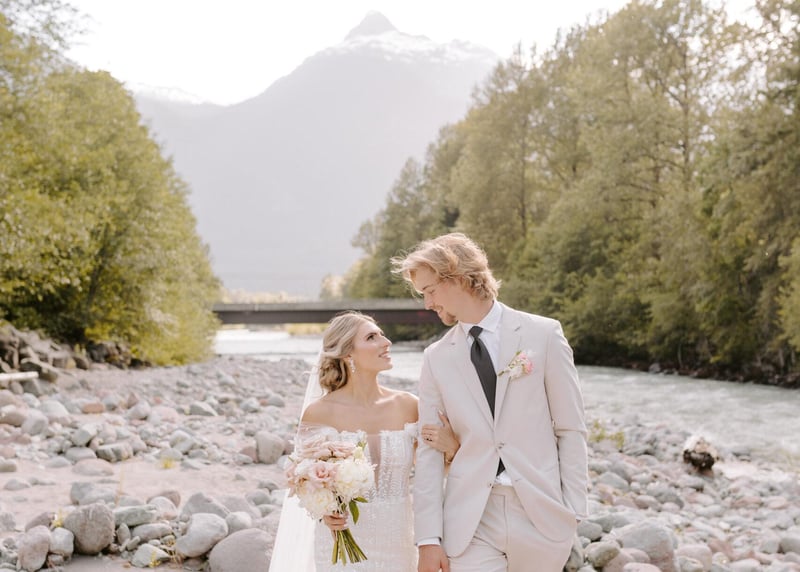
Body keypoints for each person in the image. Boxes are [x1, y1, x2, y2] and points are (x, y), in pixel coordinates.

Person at [391, 233, 588, 572]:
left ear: (456, 278)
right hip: (470, 521)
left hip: (541, 516)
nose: (427, 303)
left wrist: (573, 510)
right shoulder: (436, 357)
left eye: (430, 290)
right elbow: (429, 453)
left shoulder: (543, 334)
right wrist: (428, 538)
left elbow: (570, 427)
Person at [268, 311, 459, 572]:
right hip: (341, 546)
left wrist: (451, 450)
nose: (386, 342)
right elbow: (303, 481)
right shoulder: (319, 413)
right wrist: (325, 512)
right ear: (348, 354)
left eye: (382, 335)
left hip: (397, 543)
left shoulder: (408, 405)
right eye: (371, 337)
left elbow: (434, 472)